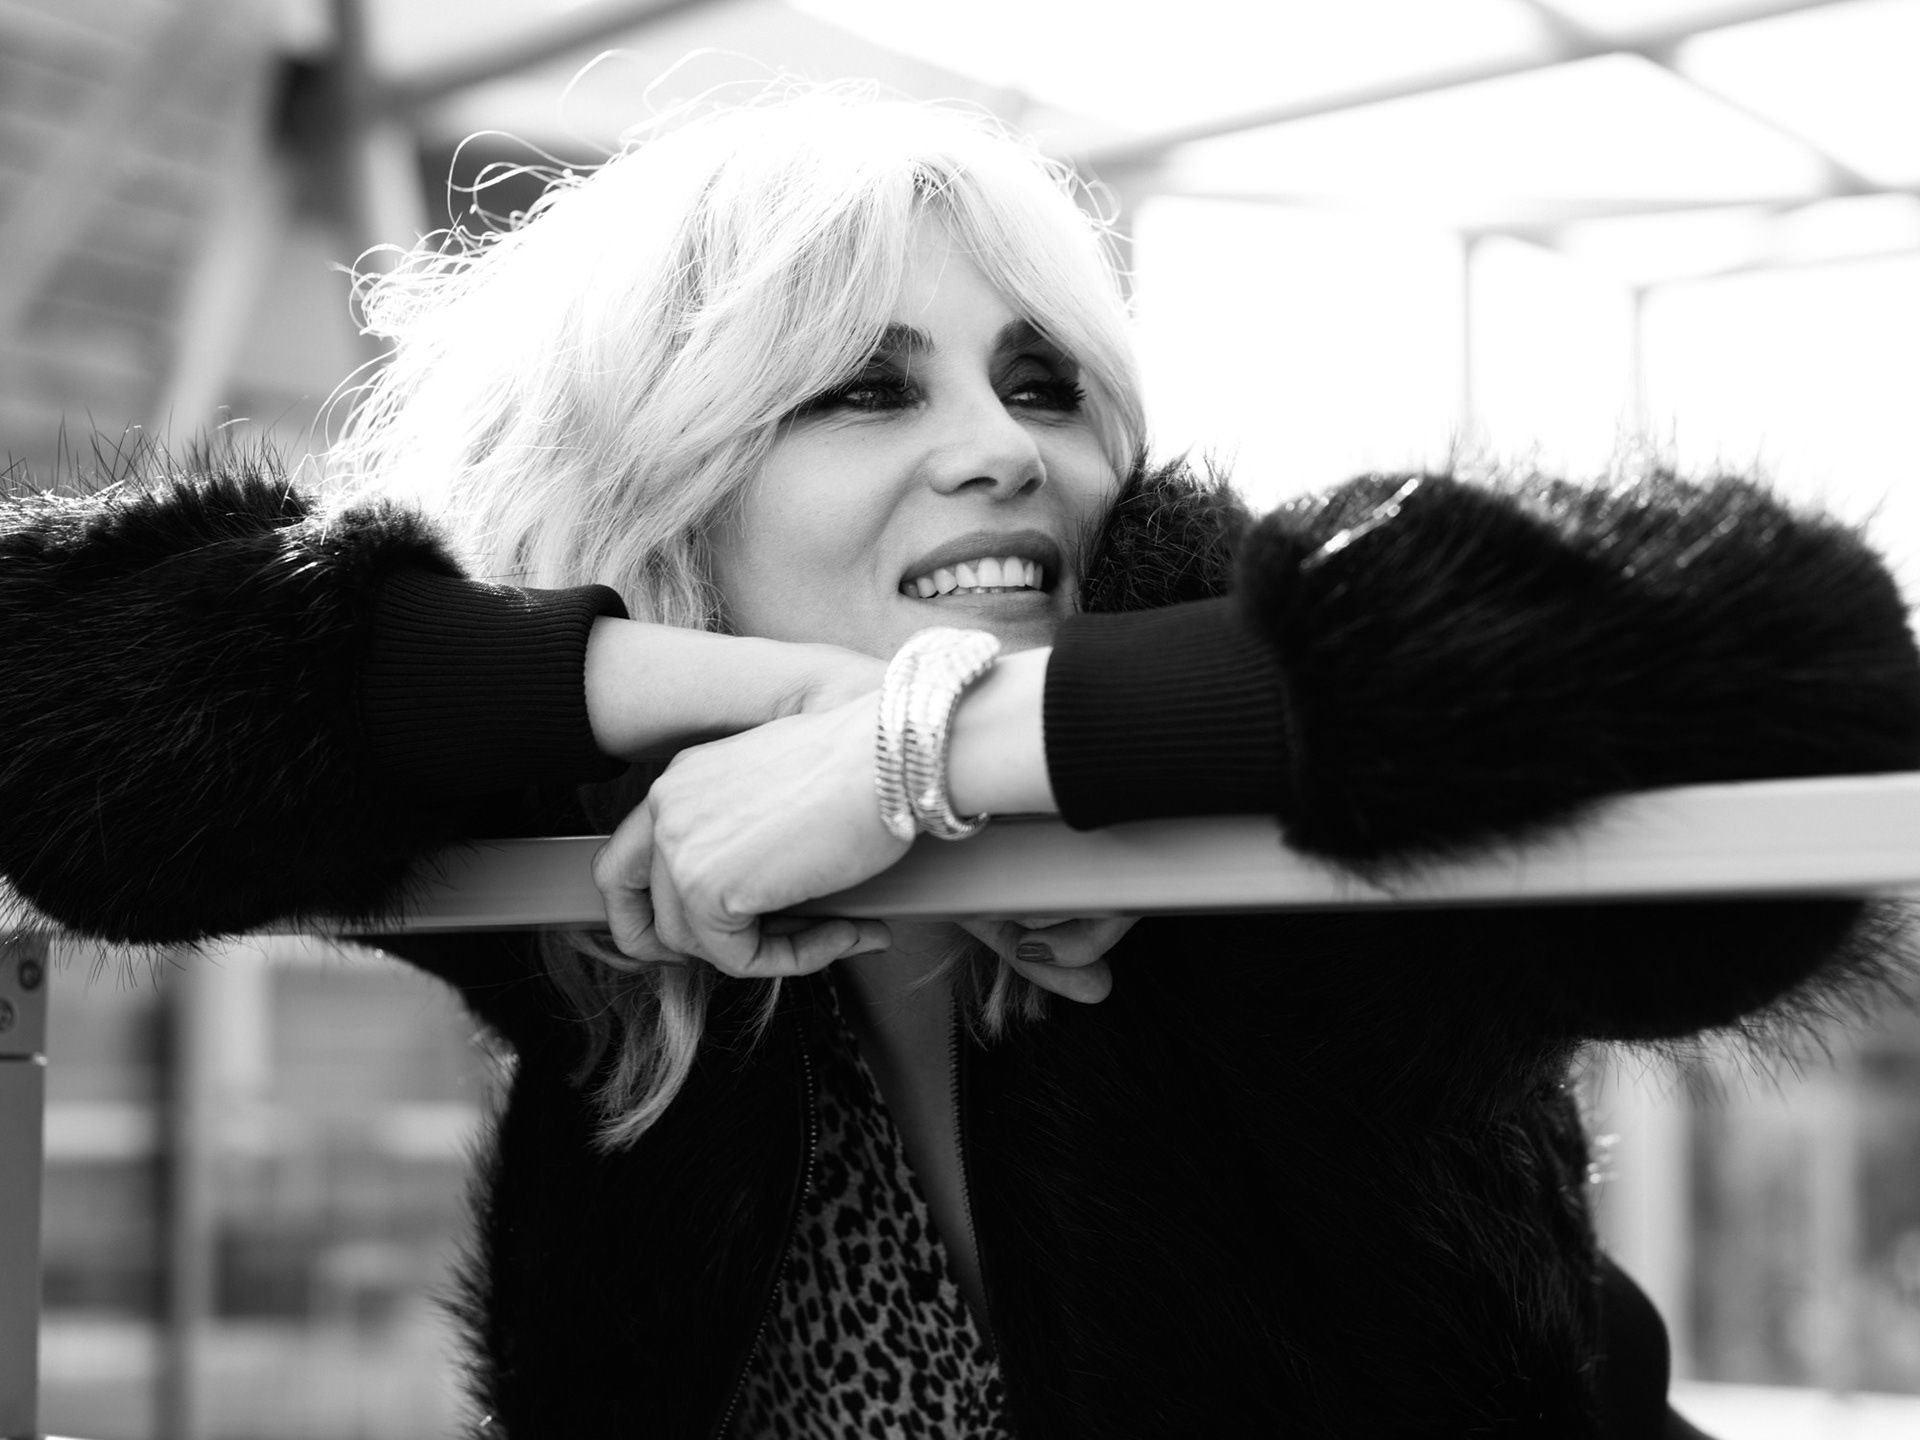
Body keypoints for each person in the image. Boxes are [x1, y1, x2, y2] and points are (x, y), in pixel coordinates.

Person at [3, 86, 1918, 1439]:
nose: (1008, 448)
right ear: (658, 482)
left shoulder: (1262, 732)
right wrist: (665, 686)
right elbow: (46, 686)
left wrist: (932, 749)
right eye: (863, 388)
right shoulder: (613, 848)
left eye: (1043, 380)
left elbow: (1802, 675)